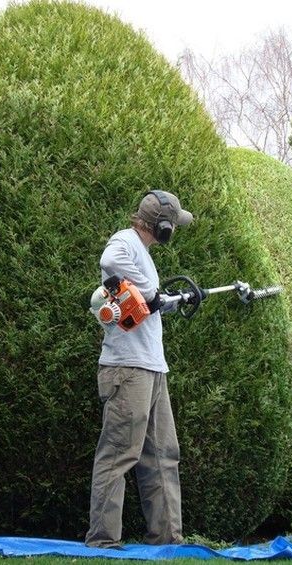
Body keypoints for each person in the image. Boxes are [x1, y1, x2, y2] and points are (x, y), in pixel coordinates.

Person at [85, 190, 194, 549]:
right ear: (162, 227)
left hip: (151, 367)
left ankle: (167, 540)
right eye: (173, 225)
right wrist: (151, 292)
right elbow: (109, 259)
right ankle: (103, 541)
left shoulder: (143, 254)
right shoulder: (125, 242)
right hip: (127, 369)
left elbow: (146, 304)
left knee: (163, 455)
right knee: (119, 454)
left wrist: (169, 302)